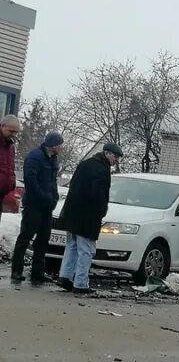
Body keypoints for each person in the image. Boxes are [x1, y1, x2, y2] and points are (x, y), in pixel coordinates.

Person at [57, 142, 123, 296]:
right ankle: (80, 283)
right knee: (86, 250)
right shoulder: (102, 169)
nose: (116, 160)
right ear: (107, 153)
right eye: (115, 156)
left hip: (72, 212)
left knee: (72, 246)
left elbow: (73, 185)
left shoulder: (85, 164)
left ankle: (65, 276)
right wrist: (102, 210)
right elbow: (98, 193)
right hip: (88, 216)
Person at [11, 132, 63, 285]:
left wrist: (54, 197)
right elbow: (31, 180)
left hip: (47, 205)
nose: (61, 147)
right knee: (25, 236)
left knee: (43, 239)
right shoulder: (35, 157)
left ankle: (38, 272)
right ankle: (17, 270)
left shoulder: (53, 159)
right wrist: (43, 196)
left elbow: (52, 181)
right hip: (34, 204)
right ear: (53, 145)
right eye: (60, 144)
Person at [0, 114, 19, 226]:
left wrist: (12, 181)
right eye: (11, 131)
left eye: (15, 132)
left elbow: (10, 166)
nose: (13, 134)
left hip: (2, 193)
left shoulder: (10, 146)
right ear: (2, 126)